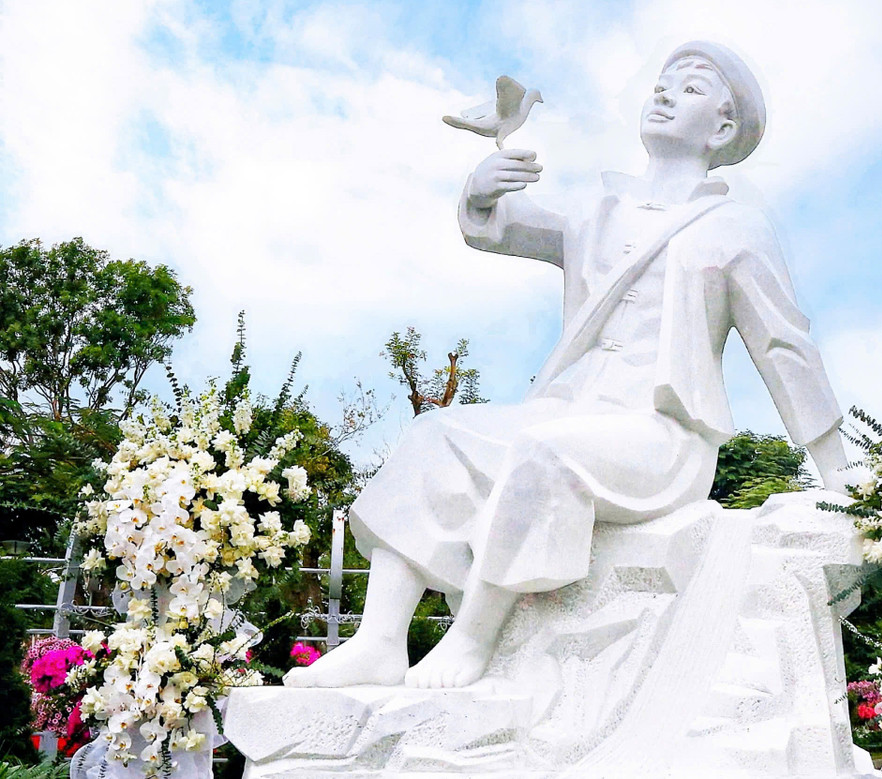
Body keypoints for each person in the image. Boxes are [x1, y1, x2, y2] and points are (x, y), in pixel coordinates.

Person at [285, 41, 851, 691]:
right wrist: (480, 193)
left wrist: (839, 476)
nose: (665, 93)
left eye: (691, 88)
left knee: (546, 453)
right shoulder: (596, 207)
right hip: (568, 407)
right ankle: (380, 641)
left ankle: (472, 638)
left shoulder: (735, 227)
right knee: (433, 435)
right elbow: (502, 228)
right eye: (663, 83)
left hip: (660, 436)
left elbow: (784, 347)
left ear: (722, 129)